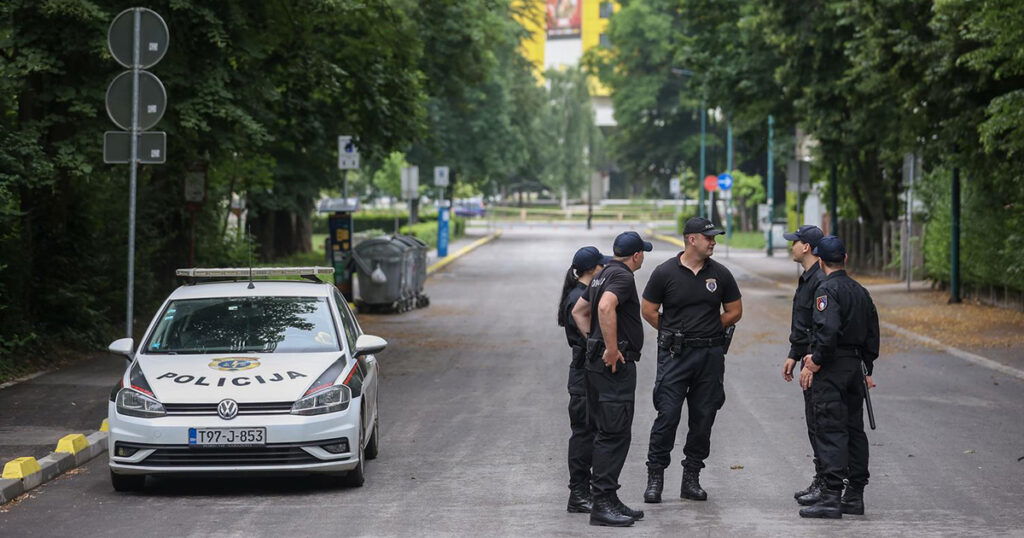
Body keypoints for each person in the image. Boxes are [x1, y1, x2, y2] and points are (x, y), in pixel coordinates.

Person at [640, 217, 742, 504]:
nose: (713, 242)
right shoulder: (665, 273)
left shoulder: (720, 274)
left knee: (703, 418)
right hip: (675, 355)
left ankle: (691, 478)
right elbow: (648, 310)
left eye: (714, 237)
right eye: (708, 237)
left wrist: (708, 329)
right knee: (667, 415)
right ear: (691, 239)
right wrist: (674, 333)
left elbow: (734, 310)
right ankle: (655, 476)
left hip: (709, 356)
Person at [571, 231, 651, 527]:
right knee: (614, 433)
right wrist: (611, 347)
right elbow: (604, 307)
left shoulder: (601, 275)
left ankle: (610, 498)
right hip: (613, 369)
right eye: (644, 253)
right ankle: (602, 503)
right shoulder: (622, 277)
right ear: (637, 255)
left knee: (608, 430)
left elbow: (579, 311)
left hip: (596, 368)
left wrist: (594, 342)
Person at [798, 235, 879, 519]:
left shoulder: (825, 290)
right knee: (854, 430)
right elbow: (872, 335)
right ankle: (854, 495)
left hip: (832, 367)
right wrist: (866, 368)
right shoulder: (861, 291)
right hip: (855, 368)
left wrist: (815, 362)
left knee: (831, 428)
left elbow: (828, 331)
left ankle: (831, 497)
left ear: (820, 260)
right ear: (844, 259)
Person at [557, 246, 609, 514]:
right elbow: (588, 337)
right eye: (601, 265)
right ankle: (578, 493)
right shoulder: (579, 298)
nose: (604, 269)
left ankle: (583, 490)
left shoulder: (579, 292)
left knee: (588, 431)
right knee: (583, 434)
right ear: (592, 269)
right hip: (583, 373)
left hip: (584, 371)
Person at [780, 225, 826, 504]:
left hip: (817, 361)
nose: (792, 246)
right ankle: (821, 479)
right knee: (813, 422)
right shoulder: (808, 277)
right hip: (807, 356)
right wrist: (793, 354)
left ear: (806, 246)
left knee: (820, 423)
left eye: (795, 242)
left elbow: (822, 328)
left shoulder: (820, 280)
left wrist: (810, 360)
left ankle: (827, 482)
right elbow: (803, 324)